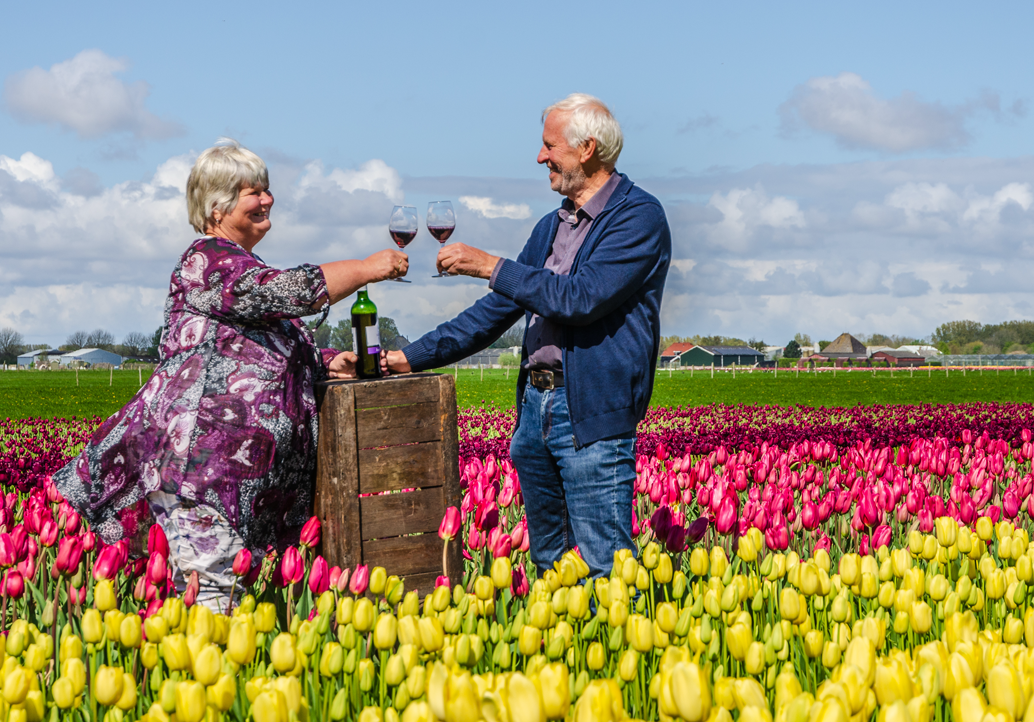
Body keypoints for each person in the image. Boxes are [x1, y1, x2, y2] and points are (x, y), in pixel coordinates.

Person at [53, 139, 408, 610]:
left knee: (227, 603)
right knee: (212, 601)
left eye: (266, 189)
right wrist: (364, 269)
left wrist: (326, 362)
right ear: (218, 207)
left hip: (236, 483)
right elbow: (287, 292)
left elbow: (251, 352)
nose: (268, 199)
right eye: (253, 192)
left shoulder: (241, 266)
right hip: (203, 473)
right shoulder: (206, 262)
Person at [384, 94, 671, 576]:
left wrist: (493, 266)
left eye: (549, 146)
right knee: (548, 564)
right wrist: (406, 358)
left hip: (591, 418)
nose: (541, 158)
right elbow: (494, 312)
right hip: (535, 411)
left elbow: (580, 297)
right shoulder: (552, 226)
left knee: (606, 568)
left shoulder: (638, 218)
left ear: (587, 150)